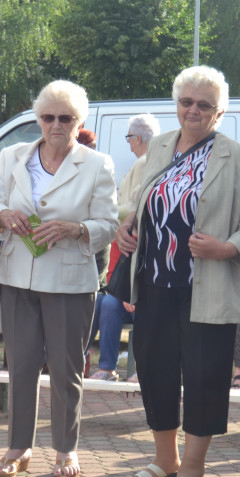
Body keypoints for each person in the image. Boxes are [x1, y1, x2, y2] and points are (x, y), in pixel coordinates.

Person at [115, 66, 240, 477]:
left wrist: (226, 248)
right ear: (176, 104)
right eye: (186, 102)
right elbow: (146, 201)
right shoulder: (161, 145)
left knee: (204, 377)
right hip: (155, 281)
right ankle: (165, 459)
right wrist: (131, 225)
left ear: (219, 112)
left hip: (208, 285)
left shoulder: (236, 156)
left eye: (204, 105)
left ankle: (194, 467)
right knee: (155, 370)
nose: (193, 110)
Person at [0, 80, 118, 477]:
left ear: (79, 122)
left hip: (69, 282)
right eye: (48, 117)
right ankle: (19, 447)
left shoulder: (97, 164)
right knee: (21, 365)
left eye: (66, 118)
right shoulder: (12, 155)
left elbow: (109, 225)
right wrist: (3, 215)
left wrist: (74, 229)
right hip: (16, 275)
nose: (56, 125)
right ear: (38, 119)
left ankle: (65, 448)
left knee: (65, 369)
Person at [88, 113, 159, 382]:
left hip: (153, 283)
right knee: (106, 303)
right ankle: (106, 367)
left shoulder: (146, 164)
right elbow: (121, 251)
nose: (128, 144)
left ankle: (143, 368)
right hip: (128, 278)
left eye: (130, 137)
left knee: (145, 305)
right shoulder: (129, 224)